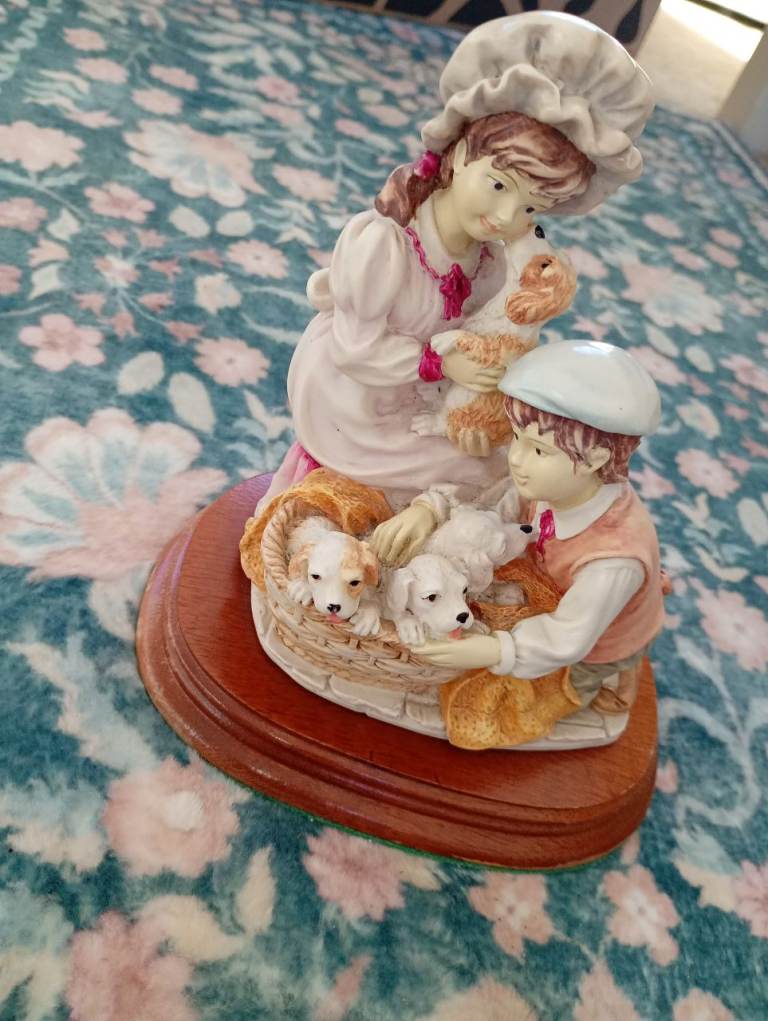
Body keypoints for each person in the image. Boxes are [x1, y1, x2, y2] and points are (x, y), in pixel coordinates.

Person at [264, 12, 654, 508]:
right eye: (498, 185)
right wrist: (441, 363)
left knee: (509, 465)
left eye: (531, 208)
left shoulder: (490, 262)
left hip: (428, 396)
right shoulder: (383, 244)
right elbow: (355, 351)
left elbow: (485, 341)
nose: (506, 216)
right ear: (459, 151)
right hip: (355, 399)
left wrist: (475, 407)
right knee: (485, 480)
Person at [374, 340, 665, 711]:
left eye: (539, 450)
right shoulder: (553, 484)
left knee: (559, 691)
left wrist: (497, 650)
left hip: (598, 636)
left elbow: (568, 636)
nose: (516, 458)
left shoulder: (613, 560)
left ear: (594, 460)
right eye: (516, 438)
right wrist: (431, 509)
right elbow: (486, 501)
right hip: (549, 586)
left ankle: (612, 680)